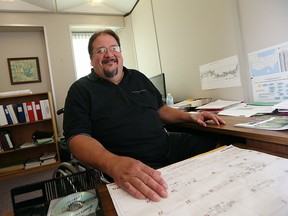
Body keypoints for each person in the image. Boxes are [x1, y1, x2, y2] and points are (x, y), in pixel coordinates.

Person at [63, 29, 226, 202]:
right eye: (101, 50)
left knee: (222, 149)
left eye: (114, 48)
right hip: (130, 162)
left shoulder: (138, 78)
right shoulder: (80, 90)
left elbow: (160, 109)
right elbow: (76, 139)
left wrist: (191, 116)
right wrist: (113, 164)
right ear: (91, 58)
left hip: (166, 146)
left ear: (120, 53)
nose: (109, 54)